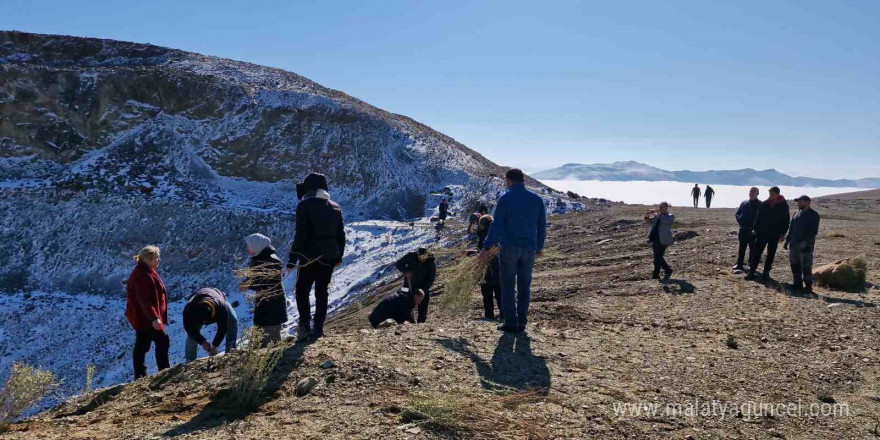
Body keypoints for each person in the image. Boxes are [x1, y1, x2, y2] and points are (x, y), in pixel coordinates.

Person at [481, 168, 547, 333]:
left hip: (509, 247)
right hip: (529, 249)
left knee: (508, 286)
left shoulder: (505, 198)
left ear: (509, 180)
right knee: (525, 286)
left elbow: (496, 225)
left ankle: (511, 323)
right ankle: (522, 321)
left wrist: (487, 247)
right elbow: (542, 226)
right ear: (523, 180)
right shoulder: (537, 199)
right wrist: (539, 247)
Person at [286, 173, 345, 341]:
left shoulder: (304, 206)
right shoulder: (335, 207)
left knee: (302, 290)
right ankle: (318, 328)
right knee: (322, 291)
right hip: (328, 258)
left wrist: (292, 260)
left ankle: (304, 326)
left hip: (308, 258)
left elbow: (301, 235)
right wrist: (339, 256)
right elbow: (340, 235)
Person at [125, 245, 170, 380]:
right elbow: (144, 300)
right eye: (156, 258)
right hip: (145, 318)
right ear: (148, 259)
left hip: (144, 317)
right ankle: (164, 371)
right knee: (162, 340)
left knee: (142, 344)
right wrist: (154, 318)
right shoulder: (142, 275)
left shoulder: (147, 272)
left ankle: (140, 375)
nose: (158, 261)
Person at [244, 233, 287, 345]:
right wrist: (247, 283)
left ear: (256, 245)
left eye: (249, 245)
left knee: (270, 343)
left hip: (273, 306)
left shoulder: (272, 261)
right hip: (263, 304)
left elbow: (268, 284)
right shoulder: (257, 258)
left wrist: (249, 285)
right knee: (259, 342)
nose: (247, 248)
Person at [746, 186, 790, 281]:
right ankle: (752, 272)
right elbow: (758, 217)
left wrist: (783, 234)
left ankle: (766, 273)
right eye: (770, 193)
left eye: (772, 194)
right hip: (762, 232)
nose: (770, 195)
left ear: (777, 194)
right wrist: (755, 228)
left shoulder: (783, 205)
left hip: (775, 234)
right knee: (757, 252)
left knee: (771, 253)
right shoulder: (765, 204)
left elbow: (786, 221)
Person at [785, 195, 820, 292]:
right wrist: (788, 240)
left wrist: (805, 243)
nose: (799, 203)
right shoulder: (796, 213)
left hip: (806, 246)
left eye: (801, 201)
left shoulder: (813, 215)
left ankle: (808, 286)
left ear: (807, 202)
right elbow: (791, 228)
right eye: (798, 201)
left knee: (806, 266)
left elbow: (814, 231)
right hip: (794, 244)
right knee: (794, 265)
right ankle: (797, 284)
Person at [395, 248, 437, 323]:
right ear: (417, 255)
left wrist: (422, 291)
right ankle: (408, 322)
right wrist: (406, 271)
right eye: (420, 257)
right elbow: (398, 264)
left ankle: (421, 323)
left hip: (423, 287)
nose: (422, 259)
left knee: (423, 305)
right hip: (408, 284)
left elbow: (431, 279)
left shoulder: (431, 263)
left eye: (424, 257)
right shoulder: (410, 256)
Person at [477, 214, 502, 320]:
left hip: (487, 270)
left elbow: (481, 252)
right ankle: (504, 314)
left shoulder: (483, 236)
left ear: (482, 224)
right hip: (501, 268)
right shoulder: (500, 233)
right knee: (500, 293)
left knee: (487, 295)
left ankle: (489, 315)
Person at [733, 187, 761, 271]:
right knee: (742, 247)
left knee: (752, 248)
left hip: (753, 230)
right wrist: (740, 220)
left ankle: (751, 265)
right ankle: (739, 264)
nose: (751, 193)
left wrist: (757, 228)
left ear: (757, 194)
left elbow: (762, 217)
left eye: (753, 192)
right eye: (750, 191)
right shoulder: (744, 203)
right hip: (743, 229)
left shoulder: (760, 204)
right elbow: (738, 213)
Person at [645, 202, 675, 280]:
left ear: (666, 208)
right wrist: (647, 214)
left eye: (662, 207)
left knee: (657, 258)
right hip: (654, 238)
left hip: (663, 239)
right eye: (659, 207)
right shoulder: (656, 216)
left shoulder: (670, 216)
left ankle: (656, 275)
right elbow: (648, 221)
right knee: (659, 256)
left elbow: (669, 222)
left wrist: (659, 216)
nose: (660, 209)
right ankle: (668, 270)